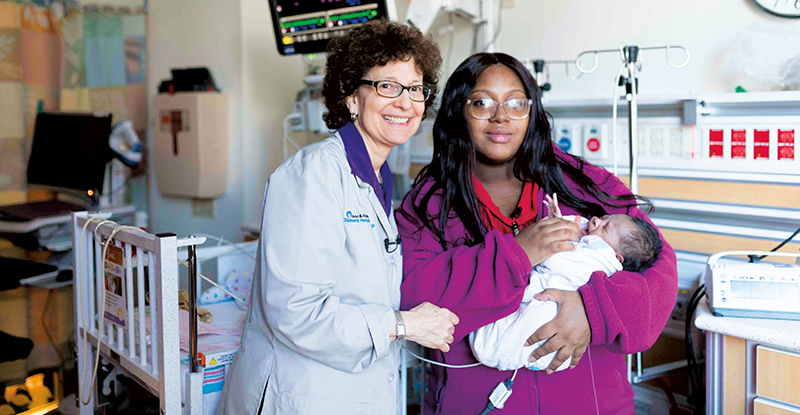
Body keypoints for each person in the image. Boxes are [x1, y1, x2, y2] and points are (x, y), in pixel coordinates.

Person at [396, 52, 678, 414]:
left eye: (516, 102)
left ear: (532, 110)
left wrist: (594, 313)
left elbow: (659, 268)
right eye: (482, 102)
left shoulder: (581, 183)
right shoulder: (429, 206)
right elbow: (411, 294)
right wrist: (516, 254)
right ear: (457, 111)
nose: (501, 116)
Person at [217, 20, 459, 415]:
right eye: (387, 86)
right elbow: (295, 311)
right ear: (351, 98)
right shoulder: (312, 174)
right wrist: (403, 325)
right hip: (300, 395)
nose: (405, 102)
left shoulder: (377, 178)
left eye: (415, 89)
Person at [470, 193, 663, 372]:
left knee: (525, 329)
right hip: (549, 313)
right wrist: (559, 223)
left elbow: (557, 260)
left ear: (617, 257)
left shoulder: (600, 259)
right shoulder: (593, 245)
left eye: (605, 226)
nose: (596, 220)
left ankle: (498, 348)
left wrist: (541, 246)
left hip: (552, 309)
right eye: (603, 217)